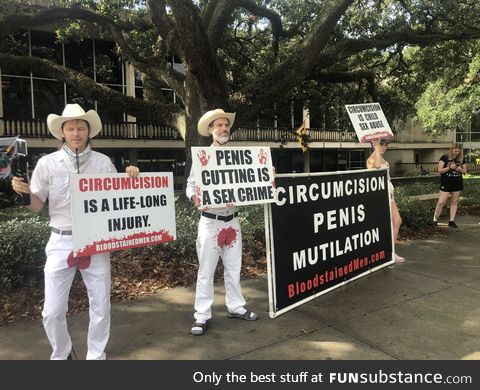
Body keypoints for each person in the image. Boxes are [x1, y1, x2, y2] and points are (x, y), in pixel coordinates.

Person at [11, 104, 139, 360]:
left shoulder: (104, 163)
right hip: (61, 240)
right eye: (70, 128)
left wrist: (132, 180)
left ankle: (96, 355)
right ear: (63, 133)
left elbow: (120, 203)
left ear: (89, 131)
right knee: (52, 311)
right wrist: (24, 194)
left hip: (95, 241)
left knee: (101, 304)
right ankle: (62, 353)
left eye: (81, 127)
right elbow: (36, 207)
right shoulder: (47, 164)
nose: (76, 132)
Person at [185, 108, 258, 336]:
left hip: (232, 220)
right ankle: (202, 315)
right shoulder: (202, 158)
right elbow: (190, 186)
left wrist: (266, 176)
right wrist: (195, 197)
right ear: (210, 130)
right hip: (210, 222)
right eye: (219, 125)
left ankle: (236, 306)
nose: (224, 129)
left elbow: (253, 182)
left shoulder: (239, 158)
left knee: (234, 268)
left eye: (226, 125)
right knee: (206, 271)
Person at [367, 138, 405, 263]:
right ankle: (387, 252)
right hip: (380, 194)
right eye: (382, 144)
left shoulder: (381, 157)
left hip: (389, 193)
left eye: (386, 144)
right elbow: (377, 168)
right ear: (374, 144)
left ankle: (391, 251)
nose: (385, 147)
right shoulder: (371, 159)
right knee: (384, 224)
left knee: (397, 220)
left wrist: (378, 147)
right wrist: (376, 147)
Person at [433, 143, 467, 228]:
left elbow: (465, 172)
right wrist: (449, 168)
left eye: (459, 152)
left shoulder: (462, 159)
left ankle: (451, 221)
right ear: (452, 149)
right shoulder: (444, 157)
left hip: (457, 183)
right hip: (446, 183)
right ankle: (435, 219)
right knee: (441, 202)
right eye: (455, 151)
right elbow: (439, 171)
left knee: (454, 202)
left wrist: (460, 169)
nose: (457, 153)